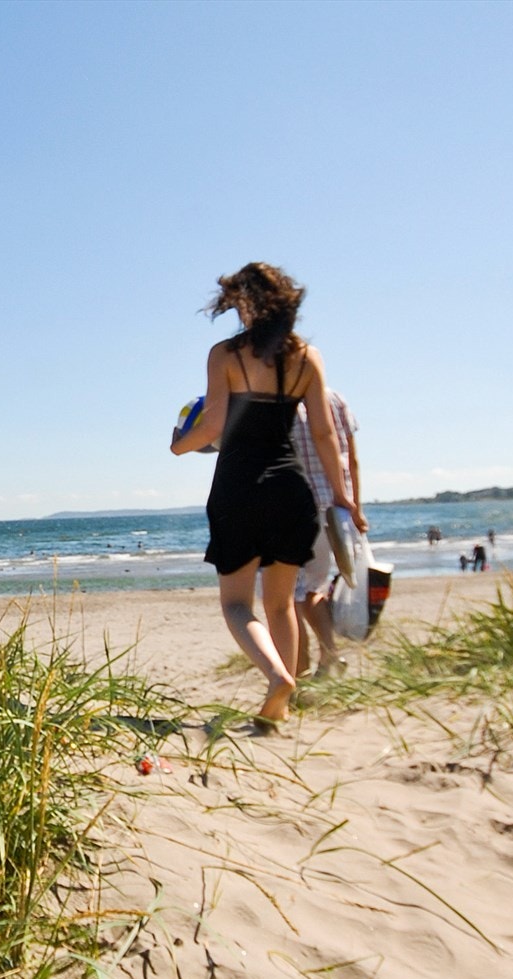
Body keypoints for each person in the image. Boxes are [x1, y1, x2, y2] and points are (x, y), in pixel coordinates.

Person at [170, 263, 362, 725]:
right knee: (281, 603)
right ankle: (281, 707)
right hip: (291, 489)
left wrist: (179, 444)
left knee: (237, 604)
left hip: (238, 487)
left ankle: (278, 677)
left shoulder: (225, 355)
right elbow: (323, 435)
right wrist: (344, 497)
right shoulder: (306, 357)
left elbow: (213, 427)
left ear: (245, 302)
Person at [290, 388, 365, 678]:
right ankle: (330, 656)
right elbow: (352, 459)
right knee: (313, 588)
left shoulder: (279, 401)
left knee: (287, 596)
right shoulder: (334, 398)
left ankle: (298, 672)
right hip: (334, 509)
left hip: (294, 507)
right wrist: (355, 507)